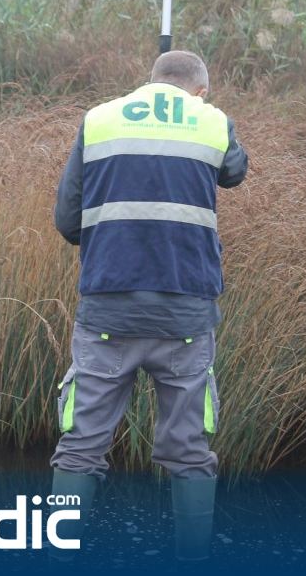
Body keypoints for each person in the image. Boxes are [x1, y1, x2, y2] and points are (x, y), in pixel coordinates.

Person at [49, 50, 248, 561]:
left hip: (108, 312)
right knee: (189, 452)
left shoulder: (98, 120)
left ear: (150, 80)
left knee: (80, 447)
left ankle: (60, 559)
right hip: (185, 317)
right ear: (200, 90)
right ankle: (193, 562)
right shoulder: (213, 122)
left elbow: (68, 221)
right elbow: (234, 172)